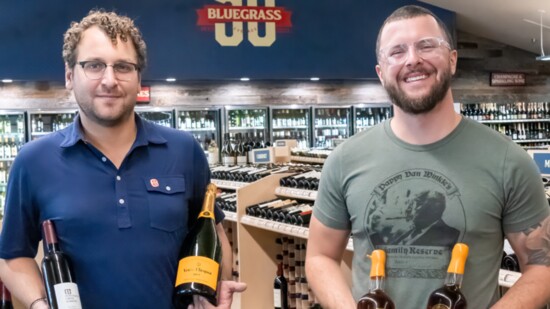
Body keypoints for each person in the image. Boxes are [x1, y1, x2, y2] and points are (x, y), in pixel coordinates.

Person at [305, 4, 550, 308]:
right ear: (381, 74)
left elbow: (542, 265)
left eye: (426, 45)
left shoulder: (508, 161)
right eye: (397, 51)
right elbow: (319, 256)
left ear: (452, 60)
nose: (413, 60)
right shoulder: (345, 159)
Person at [0, 9, 245, 309]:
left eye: (123, 67)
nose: (109, 80)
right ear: (69, 76)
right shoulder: (33, 161)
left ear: (138, 77)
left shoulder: (184, 151)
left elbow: (214, 235)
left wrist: (215, 288)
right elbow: (13, 256)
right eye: (94, 65)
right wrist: (40, 304)